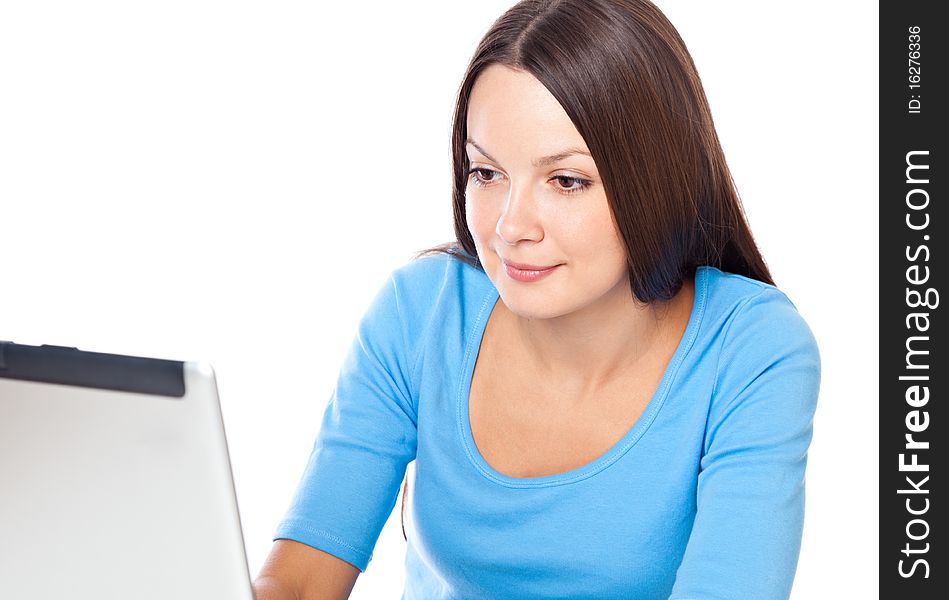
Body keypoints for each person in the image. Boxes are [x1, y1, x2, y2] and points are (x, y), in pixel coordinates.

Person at [253, 0, 821, 598]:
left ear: (656, 179)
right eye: (485, 173)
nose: (509, 226)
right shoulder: (420, 311)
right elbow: (297, 583)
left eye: (566, 180)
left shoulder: (753, 349)